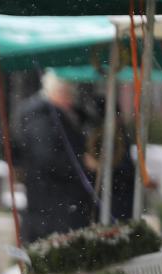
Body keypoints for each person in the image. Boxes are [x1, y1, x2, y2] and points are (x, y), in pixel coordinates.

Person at [14, 69, 99, 243]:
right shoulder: (42, 120)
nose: (71, 99)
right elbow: (47, 160)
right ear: (58, 92)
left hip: (55, 208)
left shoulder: (52, 117)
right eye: (69, 93)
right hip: (53, 210)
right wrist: (83, 165)